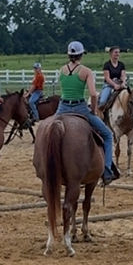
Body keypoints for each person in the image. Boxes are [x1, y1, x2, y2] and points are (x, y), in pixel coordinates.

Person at [56, 42, 119, 184]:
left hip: (62, 108)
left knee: (48, 131)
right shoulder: (86, 71)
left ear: (69, 54)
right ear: (81, 55)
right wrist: (94, 110)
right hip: (80, 108)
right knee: (107, 135)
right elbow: (93, 94)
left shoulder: (62, 70)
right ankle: (107, 170)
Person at [98, 46, 127, 111]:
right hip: (109, 85)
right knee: (103, 101)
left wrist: (123, 82)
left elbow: (123, 75)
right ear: (111, 54)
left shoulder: (121, 64)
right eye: (116, 52)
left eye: (118, 52)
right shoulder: (107, 65)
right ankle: (100, 115)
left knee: (130, 97)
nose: (117, 54)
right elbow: (107, 78)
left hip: (119, 84)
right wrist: (114, 85)